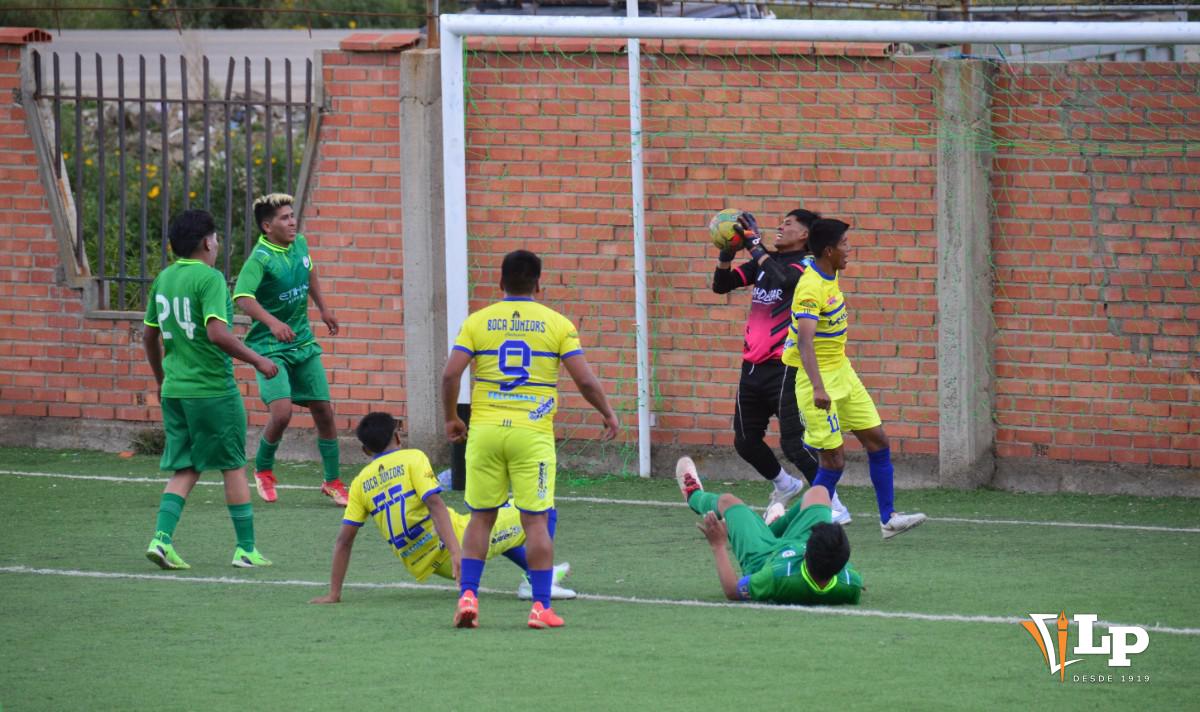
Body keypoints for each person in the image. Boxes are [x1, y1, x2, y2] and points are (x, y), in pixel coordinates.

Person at [442, 249, 620, 629]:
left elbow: (450, 374)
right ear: (539, 284)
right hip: (532, 435)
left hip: (485, 432)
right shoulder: (558, 324)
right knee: (535, 521)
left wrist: (451, 417)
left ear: (500, 282)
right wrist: (607, 412)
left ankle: (468, 596)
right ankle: (540, 607)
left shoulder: (477, 321)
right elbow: (585, 380)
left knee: (481, 518)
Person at [309, 412, 575, 605]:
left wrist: (334, 593)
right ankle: (537, 580)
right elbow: (435, 504)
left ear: (366, 451)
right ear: (398, 437)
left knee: (490, 521)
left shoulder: (359, 483)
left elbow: (344, 541)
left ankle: (533, 570)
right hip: (455, 546)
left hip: (426, 561)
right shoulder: (413, 457)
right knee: (542, 507)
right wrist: (458, 553)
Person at [143, 209, 280, 570]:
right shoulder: (211, 278)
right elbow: (217, 334)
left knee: (186, 467)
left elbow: (149, 336)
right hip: (212, 390)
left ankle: (161, 540)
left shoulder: (164, 279)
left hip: (175, 391)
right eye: (216, 238)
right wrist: (258, 360)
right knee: (232, 464)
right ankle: (246, 549)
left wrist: (160, 379)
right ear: (207, 242)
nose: (218, 244)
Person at [781, 219, 926, 539]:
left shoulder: (827, 270)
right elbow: (805, 343)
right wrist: (818, 387)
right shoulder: (810, 288)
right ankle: (789, 528)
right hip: (816, 380)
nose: (849, 249)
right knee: (833, 462)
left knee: (877, 440)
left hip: (843, 372)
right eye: (844, 244)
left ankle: (889, 519)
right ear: (829, 251)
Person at [713, 208, 850, 523]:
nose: (780, 226)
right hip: (752, 366)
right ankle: (785, 484)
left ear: (804, 234)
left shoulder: (807, 265)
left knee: (794, 443)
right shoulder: (766, 261)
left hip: (785, 368)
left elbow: (783, 278)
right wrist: (726, 253)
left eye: (788, 224)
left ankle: (833, 503)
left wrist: (755, 245)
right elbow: (722, 284)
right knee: (745, 442)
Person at [233, 193, 348, 506]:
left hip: (302, 342)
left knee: (324, 410)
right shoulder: (260, 259)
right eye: (284, 218)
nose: (292, 222)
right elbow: (242, 297)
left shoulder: (300, 244)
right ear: (267, 226)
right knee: (282, 413)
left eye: (292, 215)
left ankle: (333, 481)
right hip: (269, 346)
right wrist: (272, 323)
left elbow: (309, 272)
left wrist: (323, 308)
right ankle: (263, 470)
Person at [676, 456, 862, 605]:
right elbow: (852, 582)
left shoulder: (773, 577)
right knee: (819, 492)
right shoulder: (851, 584)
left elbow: (733, 591)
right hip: (798, 544)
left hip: (763, 556)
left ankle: (694, 496)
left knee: (728, 502)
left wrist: (718, 545)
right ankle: (770, 528)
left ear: (806, 554)